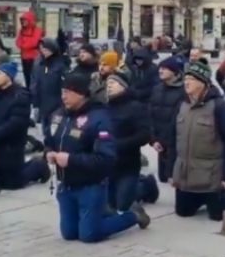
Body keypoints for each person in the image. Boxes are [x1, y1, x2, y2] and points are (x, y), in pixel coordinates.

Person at [45, 73, 150, 242]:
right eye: (62, 92)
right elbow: (49, 140)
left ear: (81, 94)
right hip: (66, 184)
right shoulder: (59, 115)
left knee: (89, 234)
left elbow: (105, 158)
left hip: (90, 184)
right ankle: (101, 214)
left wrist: (71, 160)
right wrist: (49, 152)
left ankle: (132, 216)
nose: (63, 96)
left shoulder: (99, 117)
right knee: (69, 234)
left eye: (68, 92)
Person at [173, 62, 225, 220]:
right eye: (185, 79)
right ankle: (199, 199)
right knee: (183, 212)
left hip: (212, 177)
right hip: (187, 176)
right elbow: (174, 137)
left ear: (203, 83)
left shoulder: (220, 107)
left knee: (218, 216)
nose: (186, 82)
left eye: (191, 79)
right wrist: (171, 172)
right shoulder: (182, 105)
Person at [0, 63, 49, 190]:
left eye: (0, 73)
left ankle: (38, 166)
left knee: (12, 183)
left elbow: (14, 123)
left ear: (9, 76)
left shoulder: (20, 96)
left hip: (10, 144)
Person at [105, 72, 154, 212]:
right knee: (110, 206)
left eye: (113, 83)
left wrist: (120, 144)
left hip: (128, 165)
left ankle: (147, 186)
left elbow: (145, 135)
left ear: (124, 86)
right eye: (107, 84)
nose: (109, 86)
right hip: (108, 165)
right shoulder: (104, 108)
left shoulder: (135, 107)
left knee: (123, 205)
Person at [150, 57, 185, 183]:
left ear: (174, 72)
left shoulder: (184, 91)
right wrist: (153, 139)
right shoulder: (157, 89)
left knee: (176, 179)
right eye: (160, 68)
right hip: (160, 142)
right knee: (163, 178)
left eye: (164, 69)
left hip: (176, 142)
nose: (160, 71)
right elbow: (150, 115)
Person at [31, 38, 67, 134]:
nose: (44, 51)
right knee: (45, 130)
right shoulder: (39, 64)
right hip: (42, 103)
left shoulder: (60, 65)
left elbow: (64, 84)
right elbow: (34, 82)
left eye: (46, 49)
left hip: (57, 104)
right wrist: (34, 100)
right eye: (42, 49)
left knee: (54, 131)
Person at [16, 11, 44, 87]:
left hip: (34, 58)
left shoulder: (37, 30)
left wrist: (24, 44)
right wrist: (25, 44)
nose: (23, 22)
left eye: (25, 20)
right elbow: (18, 42)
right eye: (22, 20)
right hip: (24, 57)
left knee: (34, 77)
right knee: (26, 76)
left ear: (30, 20)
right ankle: (28, 90)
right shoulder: (21, 31)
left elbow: (34, 43)